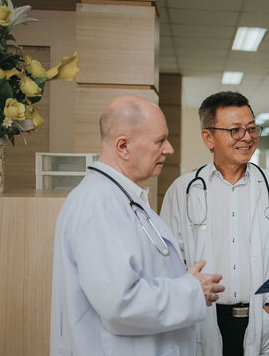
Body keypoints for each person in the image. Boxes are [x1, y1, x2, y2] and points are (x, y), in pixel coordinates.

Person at [50, 95, 225, 356]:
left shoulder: (124, 198)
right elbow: (120, 303)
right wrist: (191, 289)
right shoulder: (98, 203)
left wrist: (190, 285)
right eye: (160, 141)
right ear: (123, 146)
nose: (169, 149)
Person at [159, 91, 269, 356]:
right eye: (235, 130)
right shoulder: (182, 191)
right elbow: (168, 259)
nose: (247, 137)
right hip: (202, 318)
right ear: (208, 137)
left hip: (264, 322)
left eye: (252, 128)